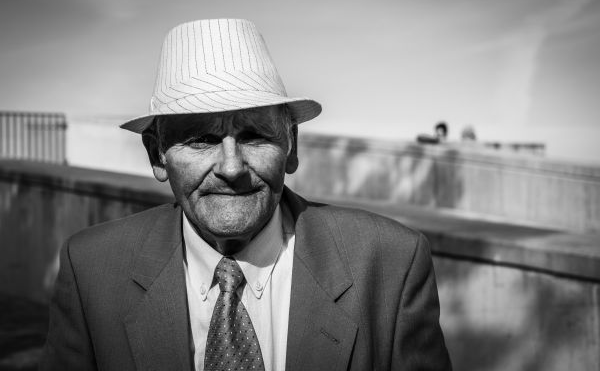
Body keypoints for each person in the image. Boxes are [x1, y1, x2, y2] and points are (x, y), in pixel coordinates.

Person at [41, 19, 451, 371]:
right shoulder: (92, 270)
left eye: (255, 135)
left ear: (291, 146)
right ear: (157, 155)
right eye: (201, 139)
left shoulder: (390, 262)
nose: (232, 167)